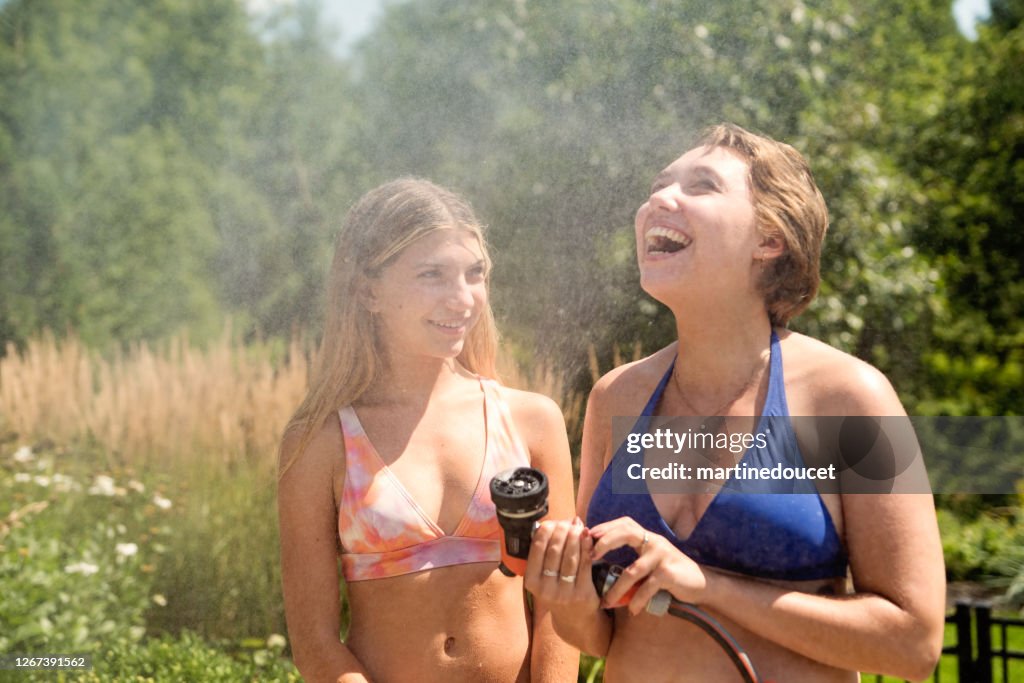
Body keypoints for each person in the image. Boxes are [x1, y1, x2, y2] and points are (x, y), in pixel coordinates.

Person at [524, 124, 946, 682]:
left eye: (702, 185)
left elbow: (913, 644)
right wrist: (570, 598)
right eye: (657, 185)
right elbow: (600, 634)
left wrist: (709, 586)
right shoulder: (617, 396)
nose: (658, 199)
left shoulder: (845, 398)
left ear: (769, 238)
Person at [278, 178, 578, 683]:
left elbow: (559, 605)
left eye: (474, 274)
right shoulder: (320, 441)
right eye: (432, 275)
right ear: (368, 291)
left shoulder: (532, 421)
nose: (462, 299)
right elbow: (315, 641)